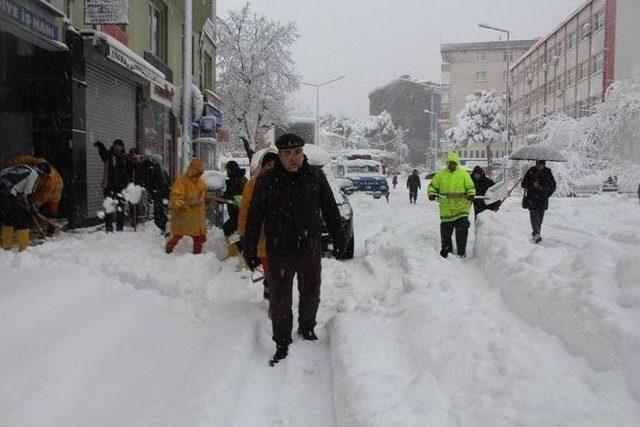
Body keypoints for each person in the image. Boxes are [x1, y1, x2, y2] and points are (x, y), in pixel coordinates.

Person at [243, 134, 345, 366]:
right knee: (280, 297)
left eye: (297, 152)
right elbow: (254, 216)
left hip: (309, 248)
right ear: (279, 155)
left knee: (310, 291)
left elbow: (330, 210)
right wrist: (249, 248)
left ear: (303, 153)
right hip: (279, 250)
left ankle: (307, 328)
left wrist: (340, 238)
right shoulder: (267, 180)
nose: (293, 158)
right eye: (287, 154)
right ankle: (282, 340)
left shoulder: (315, 177)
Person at [237, 149, 279, 301]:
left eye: (275, 164)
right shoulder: (252, 184)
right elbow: (245, 208)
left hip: (280, 235)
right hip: (260, 234)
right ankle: (271, 288)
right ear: (263, 165)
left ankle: (271, 286)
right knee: (268, 264)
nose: (271, 167)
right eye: (268, 164)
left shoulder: (285, 183)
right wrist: (243, 230)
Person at [427, 152, 475, 258]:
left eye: (454, 163)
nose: (452, 165)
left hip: (461, 209)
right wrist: (431, 193)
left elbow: (471, 187)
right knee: (446, 234)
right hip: (446, 210)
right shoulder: (441, 174)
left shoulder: (463, 174)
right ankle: (447, 253)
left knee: (462, 230)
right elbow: (432, 186)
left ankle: (461, 253)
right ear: (447, 163)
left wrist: (471, 194)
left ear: (457, 163)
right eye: (450, 163)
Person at [4, 156, 63, 235]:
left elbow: (37, 199)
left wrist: (33, 206)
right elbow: (25, 159)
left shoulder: (48, 183)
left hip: (53, 192)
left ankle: (47, 230)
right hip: (11, 189)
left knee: (43, 212)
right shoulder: (37, 165)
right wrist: (10, 164)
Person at [0, 162, 51, 251]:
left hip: (3, 190)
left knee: (8, 218)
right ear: (43, 173)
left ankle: (6, 245)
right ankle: (24, 248)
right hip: (7, 193)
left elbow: (4, 172)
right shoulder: (34, 173)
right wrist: (32, 207)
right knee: (22, 219)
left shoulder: (23, 167)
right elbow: (28, 192)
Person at [165, 159, 207, 254]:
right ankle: (169, 248)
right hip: (183, 215)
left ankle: (197, 257)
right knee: (177, 235)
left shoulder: (201, 183)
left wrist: (206, 199)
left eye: (200, 173)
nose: (198, 175)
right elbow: (175, 196)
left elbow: (203, 195)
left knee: (199, 238)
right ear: (192, 170)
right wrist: (180, 204)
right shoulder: (182, 181)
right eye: (197, 172)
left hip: (197, 218)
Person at [130, 150, 171, 234]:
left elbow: (144, 175)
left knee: (159, 212)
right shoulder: (158, 168)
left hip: (158, 193)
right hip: (161, 193)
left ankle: (165, 228)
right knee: (160, 211)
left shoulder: (152, 167)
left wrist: (137, 164)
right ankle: (165, 228)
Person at [95, 139, 129, 232]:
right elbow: (103, 155)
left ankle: (120, 227)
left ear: (122, 147)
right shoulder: (109, 155)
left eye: (119, 146)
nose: (117, 147)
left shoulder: (125, 157)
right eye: (116, 145)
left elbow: (130, 169)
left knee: (120, 208)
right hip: (109, 186)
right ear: (113, 146)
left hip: (121, 187)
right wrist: (100, 146)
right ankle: (109, 228)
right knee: (109, 208)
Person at [522, 160, 556, 244]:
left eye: (540, 164)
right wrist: (532, 184)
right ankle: (536, 234)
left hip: (542, 199)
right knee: (534, 217)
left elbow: (553, 186)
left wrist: (544, 191)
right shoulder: (531, 171)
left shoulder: (548, 172)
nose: (538, 166)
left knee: (539, 219)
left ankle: (537, 234)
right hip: (532, 199)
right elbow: (523, 184)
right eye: (537, 164)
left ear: (544, 165)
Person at [222, 160, 248, 240]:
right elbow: (230, 195)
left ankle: (233, 248)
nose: (227, 172)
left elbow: (236, 196)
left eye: (228, 170)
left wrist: (226, 197)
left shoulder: (238, 181)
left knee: (228, 229)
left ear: (232, 170)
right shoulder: (238, 179)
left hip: (239, 214)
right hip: (236, 213)